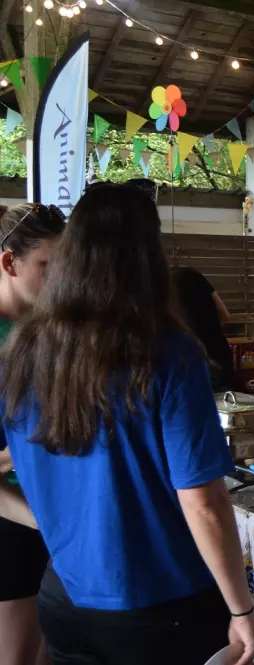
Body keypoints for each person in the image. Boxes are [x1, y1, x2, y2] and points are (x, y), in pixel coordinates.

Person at [0, 184, 254, 665]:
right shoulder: (167, 352)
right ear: (149, 257)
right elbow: (203, 502)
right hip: (162, 604)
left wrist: (58, 524)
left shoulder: (22, 348)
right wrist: (241, 610)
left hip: (64, 598)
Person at [0, 203, 65, 665]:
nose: (59, 280)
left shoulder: (51, 332)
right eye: (47, 266)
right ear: (10, 262)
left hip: (55, 518)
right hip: (13, 524)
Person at [123, 178, 235, 392]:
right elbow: (224, 314)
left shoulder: (151, 288)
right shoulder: (192, 276)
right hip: (217, 364)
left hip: (187, 370)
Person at [172, 266, 235, 392]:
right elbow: (224, 314)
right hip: (220, 359)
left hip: (191, 365)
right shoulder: (193, 275)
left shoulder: (163, 287)